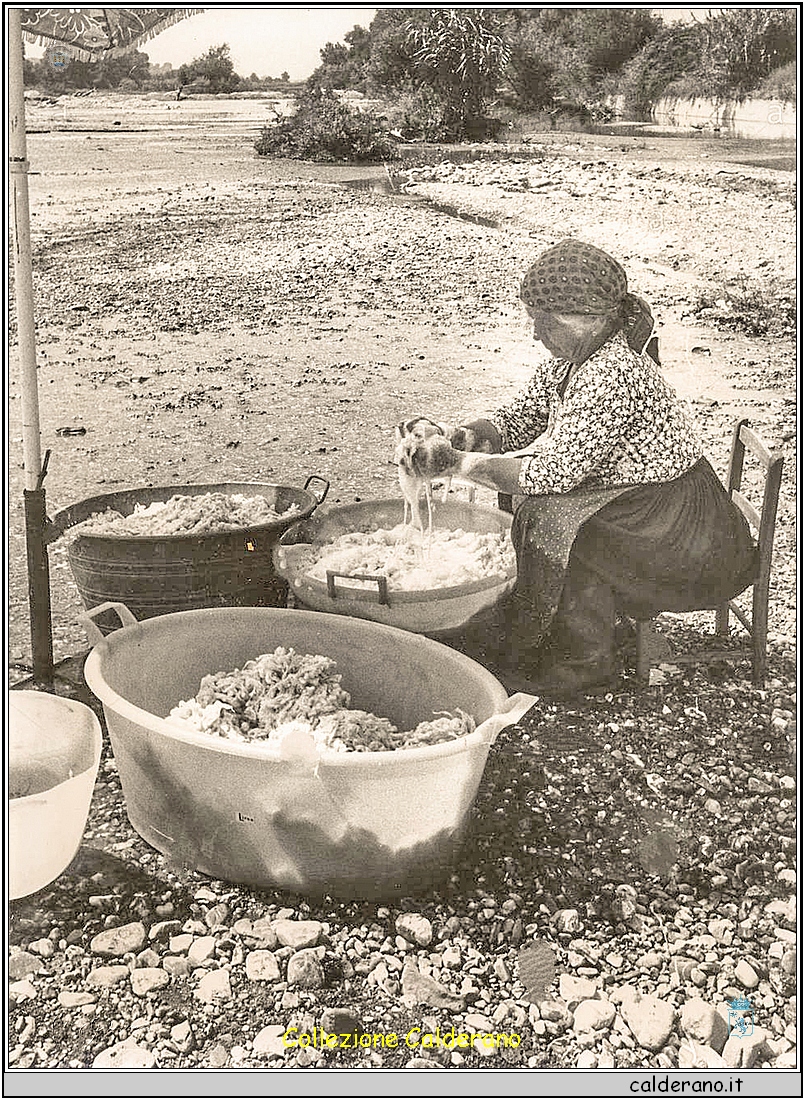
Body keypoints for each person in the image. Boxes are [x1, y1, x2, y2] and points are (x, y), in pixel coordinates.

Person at [398, 239, 757, 697]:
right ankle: (572, 628)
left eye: (542, 323)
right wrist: (458, 434)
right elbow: (518, 417)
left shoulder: (613, 374)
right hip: (651, 507)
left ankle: (581, 662)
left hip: (684, 534)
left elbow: (552, 473)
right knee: (536, 507)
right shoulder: (577, 360)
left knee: (552, 522)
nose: (534, 335)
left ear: (583, 321)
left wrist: (453, 464)